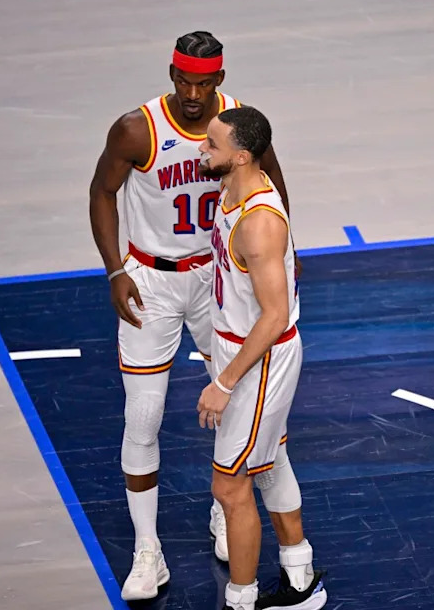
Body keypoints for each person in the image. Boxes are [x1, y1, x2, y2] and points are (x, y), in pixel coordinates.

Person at [88, 30, 291, 602]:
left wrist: (277, 263)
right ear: (171, 75)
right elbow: (101, 193)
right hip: (149, 279)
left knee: (240, 402)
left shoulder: (237, 124)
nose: (194, 93)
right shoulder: (138, 129)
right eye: (184, 81)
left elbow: (272, 187)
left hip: (219, 279)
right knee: (143, 416)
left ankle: (225, 509)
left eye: (204, 82)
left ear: (219, 80)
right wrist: (113, 269)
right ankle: (147, 550)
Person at [196, 107, 327, 610]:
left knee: (229, 487)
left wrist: (224, 382)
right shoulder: (233, 187)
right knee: (270, 461)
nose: (202, 151)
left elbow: (272, 317)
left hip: (261, 358)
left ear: (242, 157)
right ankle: (299, 576)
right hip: (239, 346)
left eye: (212, 146)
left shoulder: (258, 225)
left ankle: (241, 600)